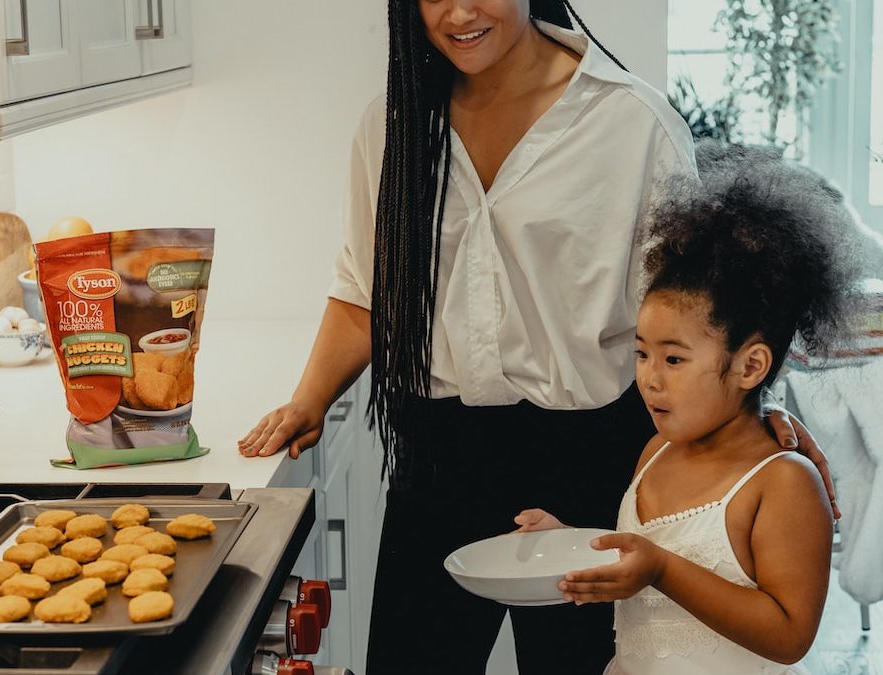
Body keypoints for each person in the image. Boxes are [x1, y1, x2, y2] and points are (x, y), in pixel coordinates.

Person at [238, 2, 838, 672]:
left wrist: (758, 410)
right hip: (437, 457)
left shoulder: (630, 124)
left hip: (587, 458)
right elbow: (365, 292)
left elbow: (699, 311)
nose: (458, 11)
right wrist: (309, 398)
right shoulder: (393, 125)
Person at [515, 143, 857, 673]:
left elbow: (789, 634)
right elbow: (642, 564)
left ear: (750, 366)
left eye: (674, 358)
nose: (649, 378)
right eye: (642, 353)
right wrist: (572, 545)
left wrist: (662, 571)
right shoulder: (656, 452)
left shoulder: (783, 483)